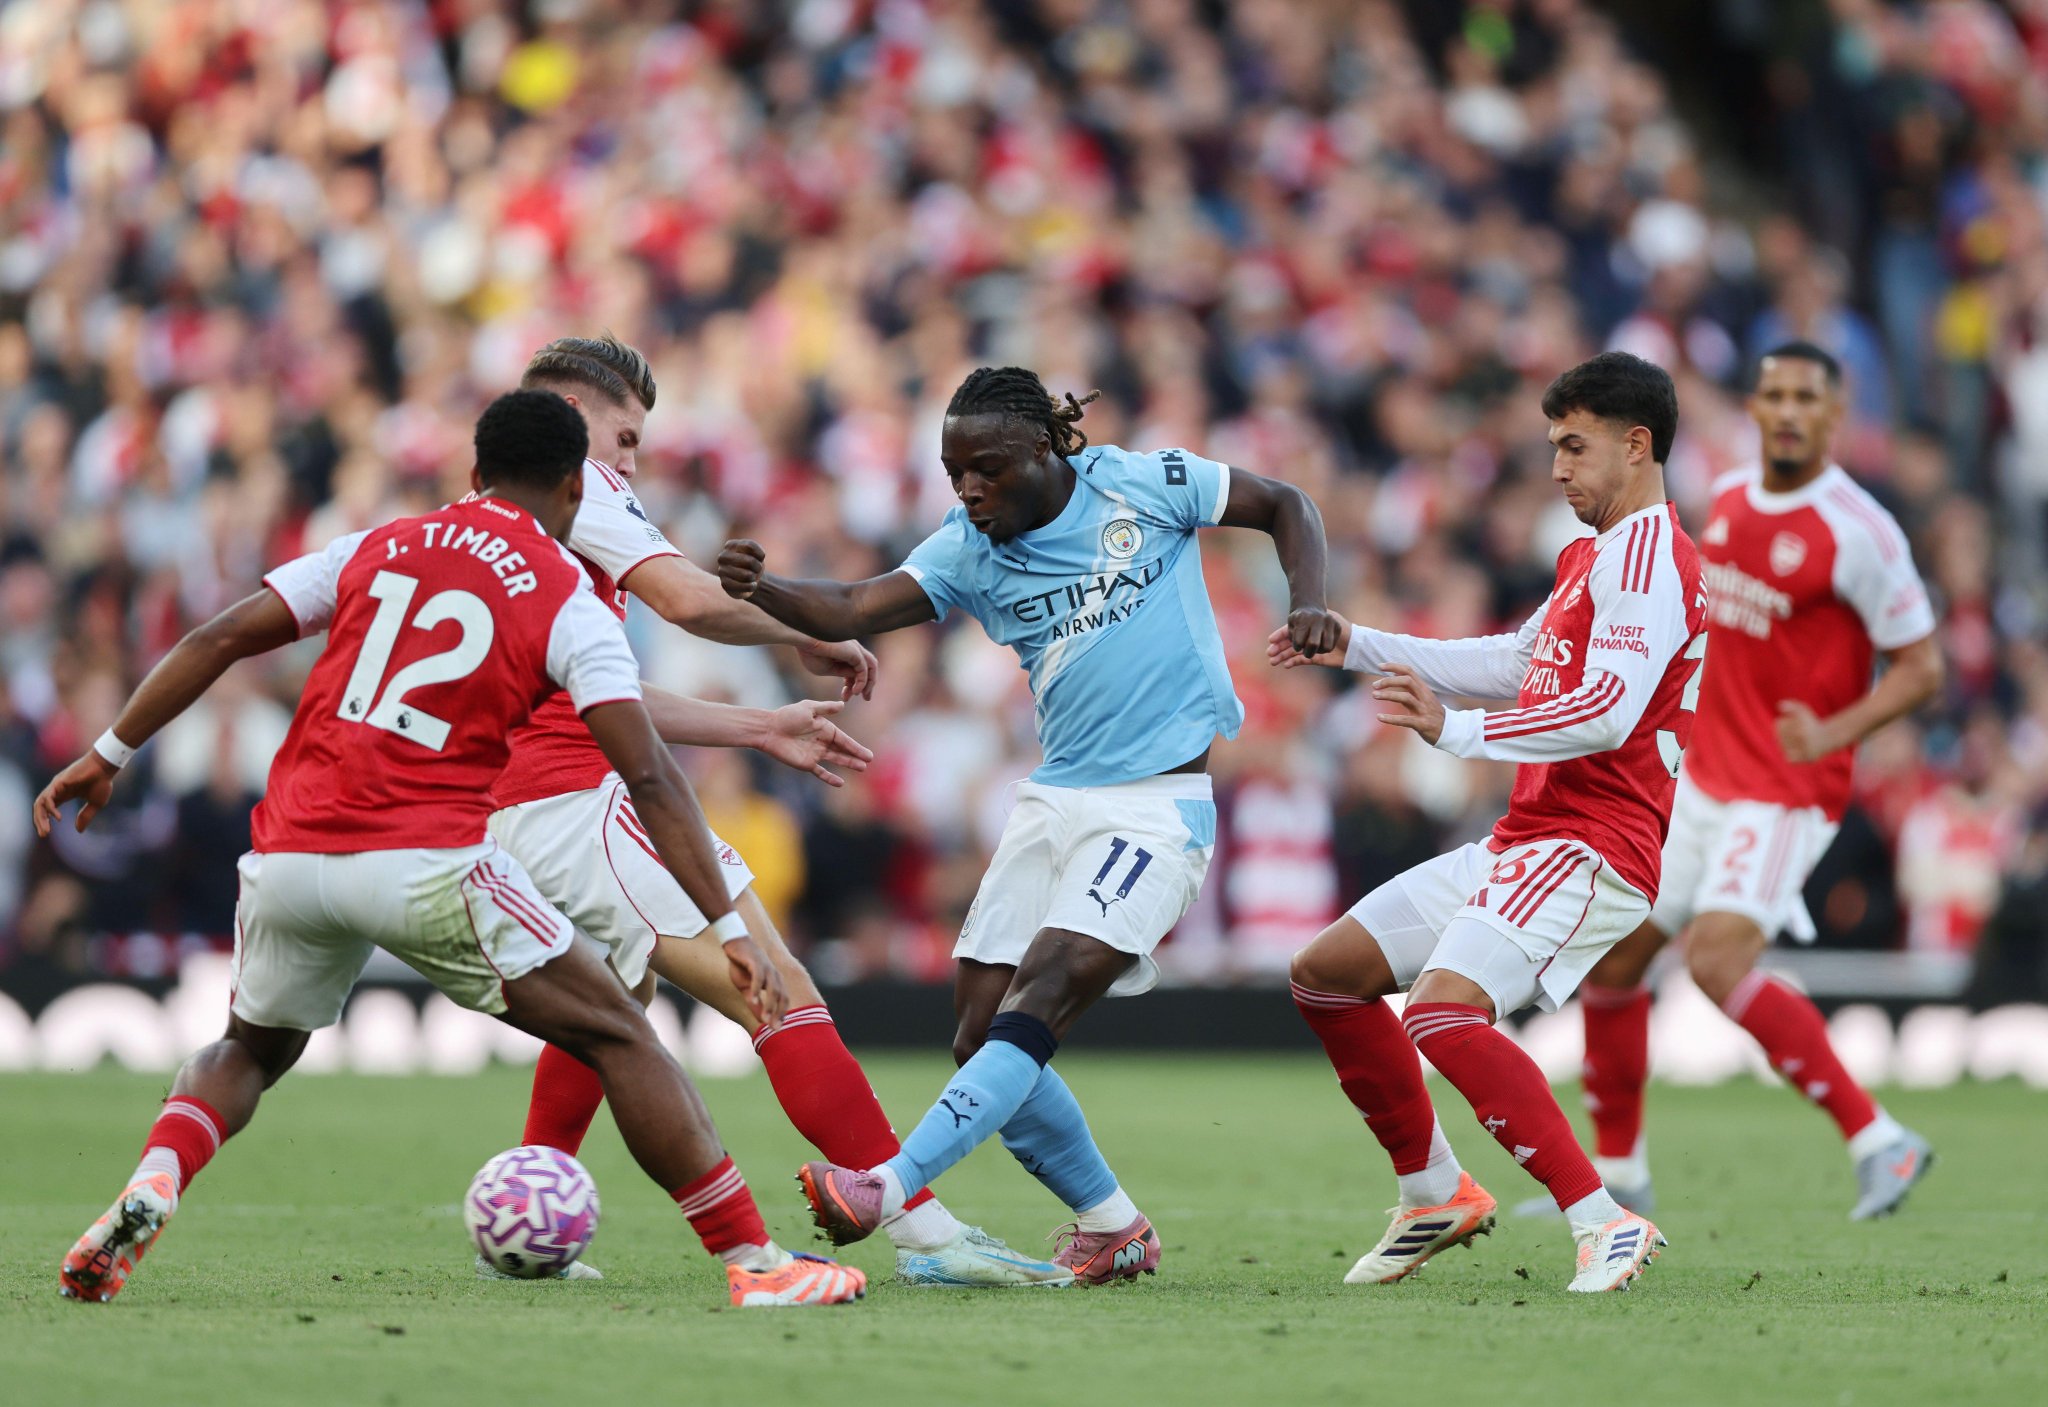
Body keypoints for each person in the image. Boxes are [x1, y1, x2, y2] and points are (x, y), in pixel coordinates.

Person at [37, 391, 864, 1310]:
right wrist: (727, 925)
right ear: (574, 488)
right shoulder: (567, 592)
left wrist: (107, 752)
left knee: (247, 1050)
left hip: (290, 853)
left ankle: (157, 1172)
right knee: (622, 1034)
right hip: (424, 858)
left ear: (474, 473)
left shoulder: (377, 544)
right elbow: (651, 776)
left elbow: (220, 634)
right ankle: (756, 1259)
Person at [716, 365, 1340, 1283]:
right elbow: (852, 605)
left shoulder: (1141, 483)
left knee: (1040, 994)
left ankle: (886, 1187)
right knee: (978, 1029)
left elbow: (1287, 502)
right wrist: (762, 586)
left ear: (1044, 449)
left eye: (987, 468)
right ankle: (1112, 1223)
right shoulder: (967, 547)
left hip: (1156, 807)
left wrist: (1309, 599)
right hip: (1053, 799)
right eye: (954, 471)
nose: (969, 489)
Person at [489, 336, 1065, 1286]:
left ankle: (526, 1229)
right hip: (575, 802)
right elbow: (688, 600)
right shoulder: (577, 486)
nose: (631, 463)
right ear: (571, 412)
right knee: (779, 986)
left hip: (514, 807)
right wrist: (806, 627)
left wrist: (758, 726)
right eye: (625, 438)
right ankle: (923, 1230)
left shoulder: (490, 523)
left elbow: (603, 692)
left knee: (611, 1007)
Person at [1272, 351, 1705, 1293]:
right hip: (1528, 837)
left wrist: (1456, 731)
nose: (1557, 466)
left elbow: (1607, 711)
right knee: (1328, 975)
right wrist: (1358, 644)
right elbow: (1517, 663)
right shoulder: (1593, 555)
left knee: (1440, 1011)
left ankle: (1603, 1219)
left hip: (1591, 843)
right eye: (1554, 445)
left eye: (1574, 445)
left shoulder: (1650, 559)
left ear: (1637, 445)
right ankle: (1434, 1192)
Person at [1561, 343, 1942, 1221]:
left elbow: (1923, 668)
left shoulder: (1860, 530)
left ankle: (1879, 1138)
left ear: (1834, 415)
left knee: (1716, 959)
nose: (1789, 410)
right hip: (1703, 776)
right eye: (1775, 395)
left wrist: (1833, 733)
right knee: (1615, 955)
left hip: (1785, 791)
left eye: (1807, 396)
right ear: (1756, 408)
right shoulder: (1728, 499)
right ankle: (1619, 1174)